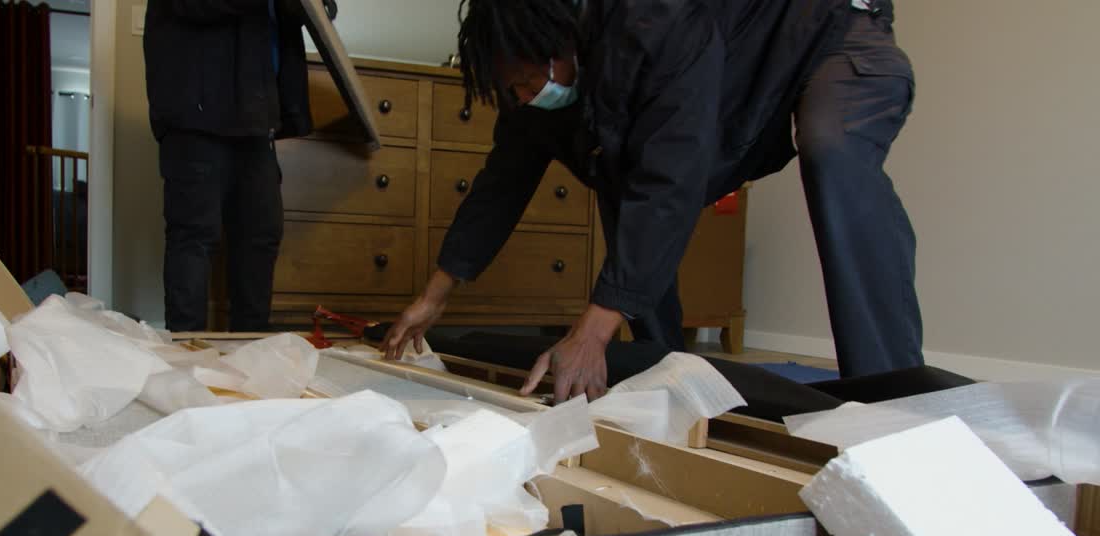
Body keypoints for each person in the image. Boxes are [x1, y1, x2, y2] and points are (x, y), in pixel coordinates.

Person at [382, 0, 923, 401]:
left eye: (527, 82)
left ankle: (894, 392)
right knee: (615, 169)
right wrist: (435, 293)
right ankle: (667, 371)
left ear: (563, 42)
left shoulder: (653, 25)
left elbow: (669, 179)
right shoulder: (537, 87)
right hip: (740, 61)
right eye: (512, 91)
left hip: (829, 26)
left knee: (832, 147)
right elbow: (499, 187)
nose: (523, 98)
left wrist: (592, 331)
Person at [143, 0, 317, 332]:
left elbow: (316, 12)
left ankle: (247, 353)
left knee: (259, 237)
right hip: (197, 114)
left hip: (254, 118)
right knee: (195, 237)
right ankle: (186, 356)